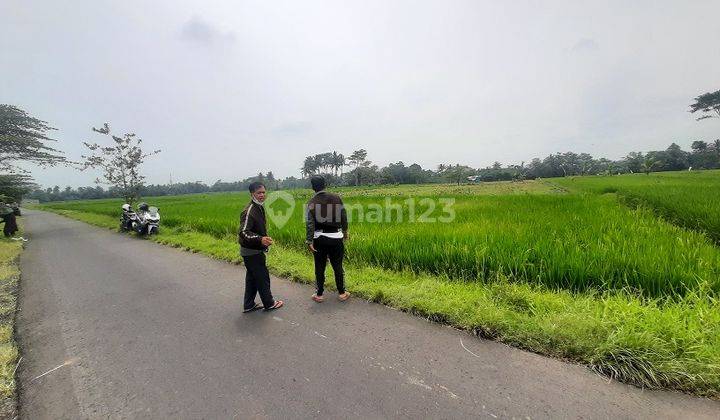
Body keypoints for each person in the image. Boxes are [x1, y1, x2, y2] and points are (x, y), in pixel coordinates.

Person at [238, 181, 284, 312]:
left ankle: (248, 304)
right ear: (252, 194)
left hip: (253, 250)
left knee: (252, 278)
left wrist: (263, 238)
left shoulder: (259, 207)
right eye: (259, 193)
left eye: (263, 192)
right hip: (251, 251)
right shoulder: (249, 211)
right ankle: (269, 303)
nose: (262, 195)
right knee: (262, 277)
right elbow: (243, 232)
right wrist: (260, 239)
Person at [306, 175, 350, 303]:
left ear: (313, 187)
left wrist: (309, 241)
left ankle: (319, 294)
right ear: (325, 184)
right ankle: (342, 293)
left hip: (319, 239)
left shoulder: (312, 202)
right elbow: (343, 216)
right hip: (336, 237)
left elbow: (310, 224)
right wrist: (346, 231)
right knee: (338, 265)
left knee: (319, 266)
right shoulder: (336, 198)